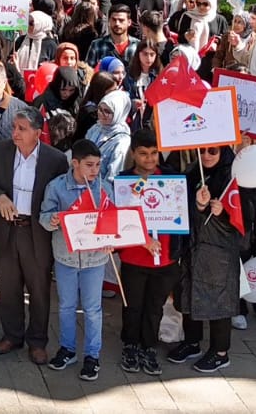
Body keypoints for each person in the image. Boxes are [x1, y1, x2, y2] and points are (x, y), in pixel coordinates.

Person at [0, 104, 68, 364]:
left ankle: (38, 341)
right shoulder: (0, 151)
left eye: (22, 129)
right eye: (14, 128)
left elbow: (62, 193)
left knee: (39, 288)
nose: (15, 133)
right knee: (8, 287)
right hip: (7, 229)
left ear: (37, 133)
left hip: (36, 232)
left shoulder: (55, 159)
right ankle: (12, 336)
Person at [167, 146, 246, 373]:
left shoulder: (234, 176)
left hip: (219, 251)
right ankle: (192, 342)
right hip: (193, 245)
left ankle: (220, 352)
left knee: (218, 299)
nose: (207, 156)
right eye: (202, 151)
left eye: (213, 151)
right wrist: (199, 205)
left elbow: (244, 219)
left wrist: (223, 213)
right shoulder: (193, 172)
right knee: (188, 292)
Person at [39, 138, 110, 381]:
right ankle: (67, 349)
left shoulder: (103, 188)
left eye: (98, 165)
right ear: (75, 163)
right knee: (66, 306)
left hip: (95, 258)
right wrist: (52, 220)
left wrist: (111, 238)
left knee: (93, 309)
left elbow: (112, 219)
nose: (95, 170)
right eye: (89, 165)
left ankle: (92, 355)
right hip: (65, 257)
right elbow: (44, 216)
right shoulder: (57, 187)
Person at [116, 129, 183, 374]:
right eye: (143, 153)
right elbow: (121, 219)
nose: (150, 158)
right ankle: (130, 345)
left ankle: (149, 346)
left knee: (155, 307)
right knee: (133, 306)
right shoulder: (123, 182)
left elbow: (182, 211)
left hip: (165, 258)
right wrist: (142, 239)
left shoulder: (172, 178)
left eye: (154, 153)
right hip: (134, 258)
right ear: (133, 154)